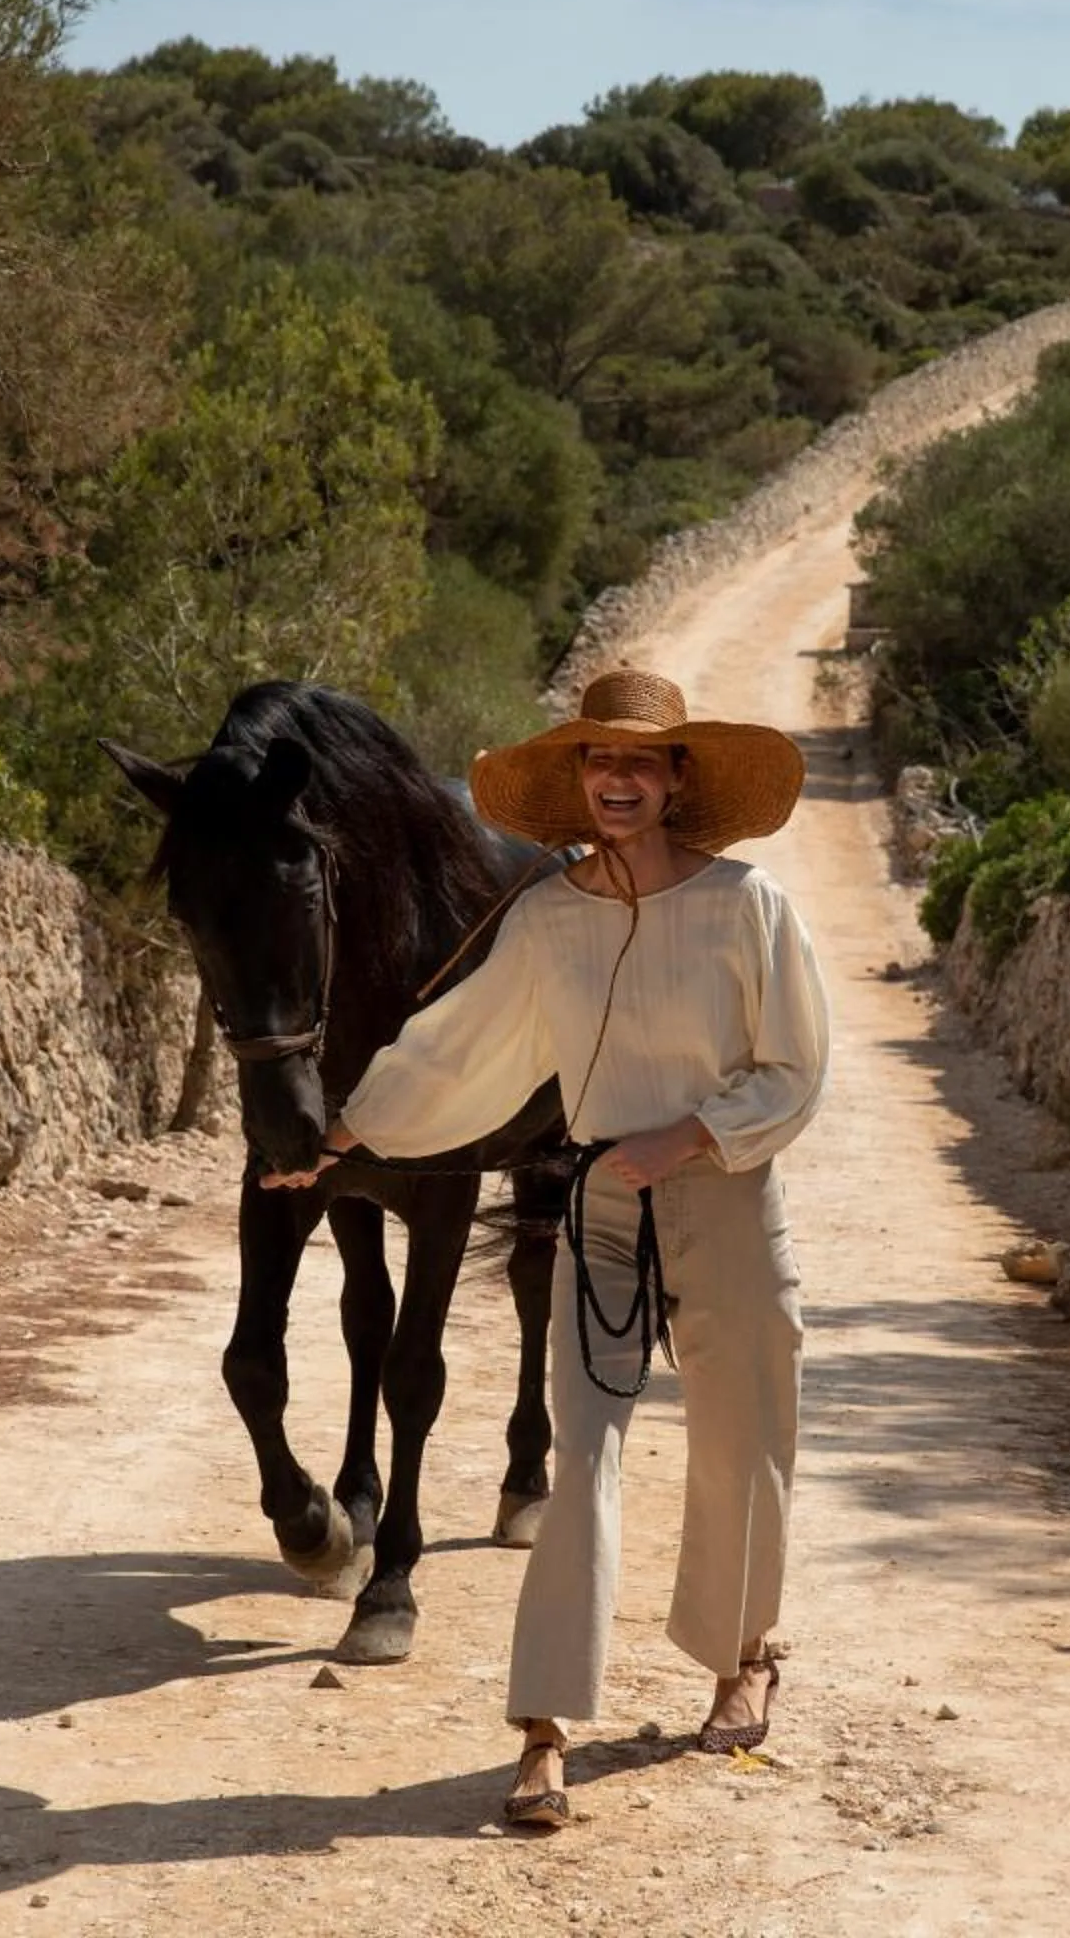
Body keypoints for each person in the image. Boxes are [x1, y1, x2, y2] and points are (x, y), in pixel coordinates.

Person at [260, 667, 831, 1829]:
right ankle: (545, 1727)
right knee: (583, 1462)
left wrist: (688, 1135)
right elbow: (459, 1044)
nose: (618, 778)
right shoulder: (547, 915)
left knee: (744, 1439)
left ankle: (745, 1655)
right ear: (578, 777)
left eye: (640, 760)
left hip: (727, 1197)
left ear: (677, 777)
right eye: (598, 759)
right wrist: (340, 1137)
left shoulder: (748, 904)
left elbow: (797, 1066)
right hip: (603, 1206)